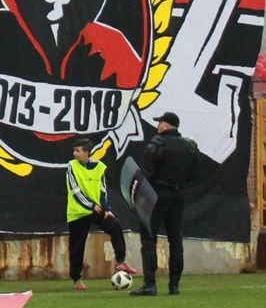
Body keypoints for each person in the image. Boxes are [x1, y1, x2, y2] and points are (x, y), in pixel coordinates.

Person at [131, 111, 201, 296]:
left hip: (157, 195)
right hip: (178, 196)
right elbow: (194, 175)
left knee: (148, 237)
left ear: (165, 125)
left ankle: (150, 284)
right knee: (175, 239)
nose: (157, 126)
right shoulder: (190, 146)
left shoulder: (157, 144)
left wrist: (138, 196)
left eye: (159, 122)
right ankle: (174, 285)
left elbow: (146, 174)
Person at [65, 137, 135, 290]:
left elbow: (103, 190)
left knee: (114, 225)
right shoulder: (71, 166)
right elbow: (75, 191)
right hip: (78, 212)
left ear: (86, 153)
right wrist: (91, 205)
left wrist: (107, 209)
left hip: (96, 209)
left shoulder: (99, 166)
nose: (74, 154)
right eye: (74, 150)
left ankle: (120, 262)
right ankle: (76, 279)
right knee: (76, 247)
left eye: (77, 151)